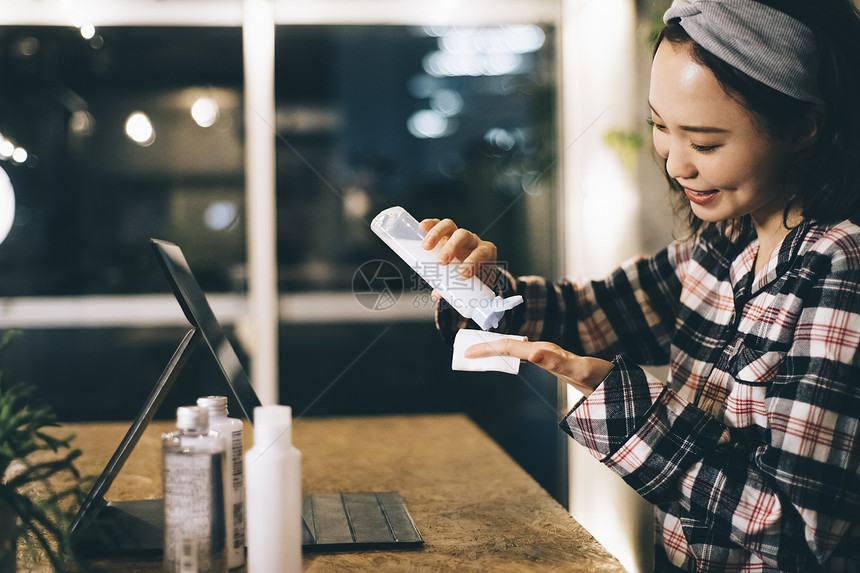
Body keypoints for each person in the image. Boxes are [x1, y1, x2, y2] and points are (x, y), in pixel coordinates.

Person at [419, 0, 860, 571]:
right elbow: (596, 313)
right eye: (659, 126)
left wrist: (624, 404)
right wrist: (478, 288)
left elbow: (797, 538)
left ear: (803, 126)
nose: (675, 163)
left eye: (704, 143)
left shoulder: (838, 266)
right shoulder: (730, 237)